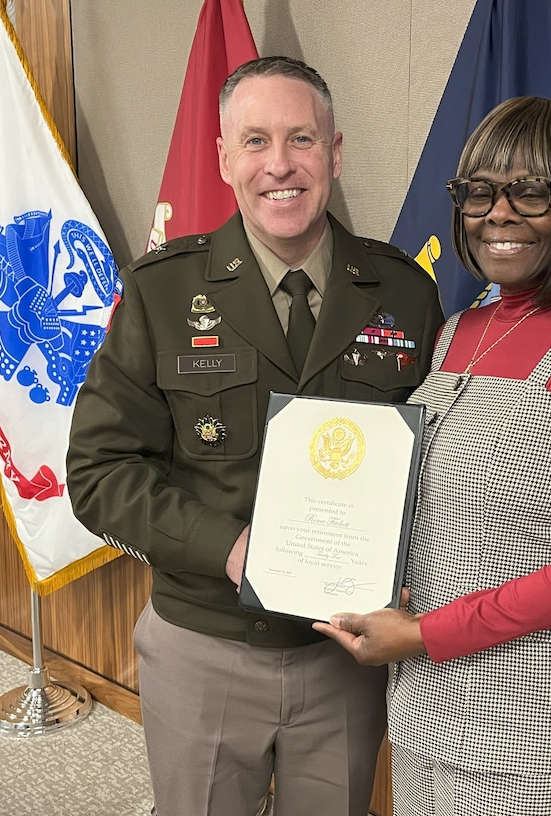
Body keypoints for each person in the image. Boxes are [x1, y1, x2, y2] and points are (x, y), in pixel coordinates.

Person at [66, 56, 444, 816]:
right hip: (205, 644)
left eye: (302, 139)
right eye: (256, 141)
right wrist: (233, 548)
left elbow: (431, 467)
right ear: (223, 158)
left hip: (346, 655)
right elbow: (100, 473)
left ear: (335, 154)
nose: (280, 164)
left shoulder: (405, 292)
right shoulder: (162, 289)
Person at [314, 96, 551, 816]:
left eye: (530, 192)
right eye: (479, 191)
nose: (498, 213)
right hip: (425, 703)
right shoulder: (459, 331)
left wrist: (425, 634)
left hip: (537, 723)